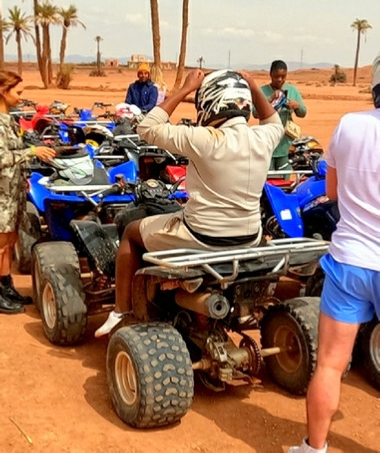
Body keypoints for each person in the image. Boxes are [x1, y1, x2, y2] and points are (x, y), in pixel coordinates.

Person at [95, 68, 284, 337]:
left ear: (211, 102)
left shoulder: (203, 139)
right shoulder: (263, 138)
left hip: (202, 236)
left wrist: (184, 89)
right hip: (248, 237)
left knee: (130, 232)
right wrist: (252, 85)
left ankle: (120, 311)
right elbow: (272, 120)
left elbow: (147, 127)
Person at [289, 54, 380, 453]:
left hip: (350, 260)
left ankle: (315, 448)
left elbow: (332, 193)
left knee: (329, 364)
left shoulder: (350, 126)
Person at [0, 70, 56, 314]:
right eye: (18, 92)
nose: (21, 98)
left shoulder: (8, 119)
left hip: (12, 192)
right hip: (2, 194)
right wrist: (31, 153)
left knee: (9, 242)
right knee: (1, 245)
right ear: (3, 91)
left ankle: (6, 286)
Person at [254, 60, 307, 174]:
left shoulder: (292, 90)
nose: (279, 80)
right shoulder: (262, 91)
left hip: (285, 145)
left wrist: (297, 106)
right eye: (276, 76)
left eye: (283, 76)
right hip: (267, 144)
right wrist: (269, 100)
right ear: (270, 75)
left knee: (285, 179)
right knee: (268, 179)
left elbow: (303, 113)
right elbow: (254, 113)